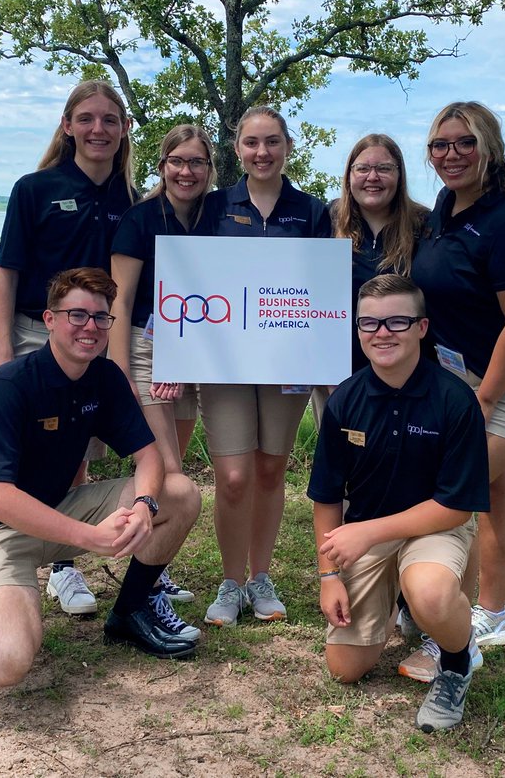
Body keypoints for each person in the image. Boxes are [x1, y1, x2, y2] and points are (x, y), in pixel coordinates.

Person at [0, 80, 138, 630]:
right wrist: (3, 349)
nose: (99, 129)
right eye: (87, 118)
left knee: (75, 454)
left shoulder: (132, 200)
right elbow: (6, 272)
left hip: (98, 337)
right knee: (17, 456)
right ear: (68, 125)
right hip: (33, 333)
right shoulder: (35, 188)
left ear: (123, 132)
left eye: (111, 120)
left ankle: (62, 566)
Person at [0, 268, 202, 686]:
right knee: (8, 664)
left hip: (60, 511)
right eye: (77, 316)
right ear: (49, 320)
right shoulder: (8, 386)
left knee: (179, 493)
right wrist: (90, 538)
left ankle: (129, 613)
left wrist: (144, 507)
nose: (90, 327)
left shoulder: (104, 378)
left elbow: (150, 457)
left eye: (101, 318)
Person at [410, 101, 505, 659]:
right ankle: (492, 615)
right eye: (440, 145)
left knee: (451, 488)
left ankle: (445, 623)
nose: (451, 155)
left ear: (489, 147)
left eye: (464, 143)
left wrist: (484, 400)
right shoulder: (445, 207)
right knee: (495, 497)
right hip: (467, 375)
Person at [308, 275, 490, 732]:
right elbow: (327, 497)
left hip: (435, 527)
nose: (381, 332)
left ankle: (455, 660)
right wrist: (329, 577)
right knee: (343, 669)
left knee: (431, 591)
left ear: (422, 328)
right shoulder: (344, 399)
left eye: (397, 321)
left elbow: (457, 507)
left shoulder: (455, 399)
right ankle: (403, 604)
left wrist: (368, 531)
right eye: (369, 322)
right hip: (367, 534)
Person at [197, 105, 332, 627]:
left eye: (272, 141)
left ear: (287, 147)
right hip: (223, 360)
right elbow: (186, 276)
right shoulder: (212, 207)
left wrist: (324, 355)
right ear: (237, 150)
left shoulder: (313, 212)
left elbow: (324, 290)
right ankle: (230, 583)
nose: (262, 152)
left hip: (286, 361)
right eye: (252, 142)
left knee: (272, 468)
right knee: (232, 476)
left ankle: (260, 577)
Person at [109, 125, 218, 602]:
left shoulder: (215, 220)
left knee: (174, 469)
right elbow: (120, 299)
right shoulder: (140, 219)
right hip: (147, 351)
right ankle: (142, 581)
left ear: (210, 170)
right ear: (162, 166)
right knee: (169, 472)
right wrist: (120, 375)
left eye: (196, 162)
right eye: (177, 161)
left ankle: (152, 566)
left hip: (196, 353)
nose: (186, 171)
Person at [311, 134, 428, 427]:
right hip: (338, 374)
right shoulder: (327, 220)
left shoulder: (424, 224)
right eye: (362, 168)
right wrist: (328, 375)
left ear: (399, 175)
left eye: (384, 169)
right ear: (349, 174)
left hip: (408, 374)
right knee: (345, 458)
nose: (372, 177)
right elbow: (308, 300)